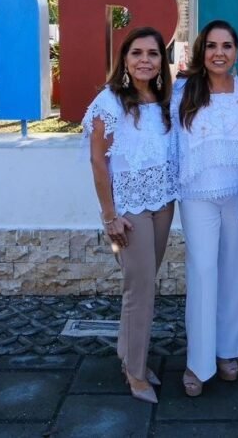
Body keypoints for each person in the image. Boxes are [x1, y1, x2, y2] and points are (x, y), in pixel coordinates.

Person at [83, 26, 176, 404]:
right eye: (137, 53)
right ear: (124, 59)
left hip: (164, 204)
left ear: (161, 61)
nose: (145, 61)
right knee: (141, 292)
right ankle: (136, 374)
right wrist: (110, 216)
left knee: (141, 286)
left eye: (153, 54)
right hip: (130, 211)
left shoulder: (165, 100)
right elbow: (97, 161)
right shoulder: (109, 102)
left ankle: (128, 356)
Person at [171, 20, 238, 397]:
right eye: (212, 46)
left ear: (237, 51)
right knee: (203, 272)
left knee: (236, 271)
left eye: (227, 45)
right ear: (202, 51)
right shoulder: (182, 92)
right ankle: (198, 360)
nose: (219, 52)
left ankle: (227, 351)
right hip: (197, 194)